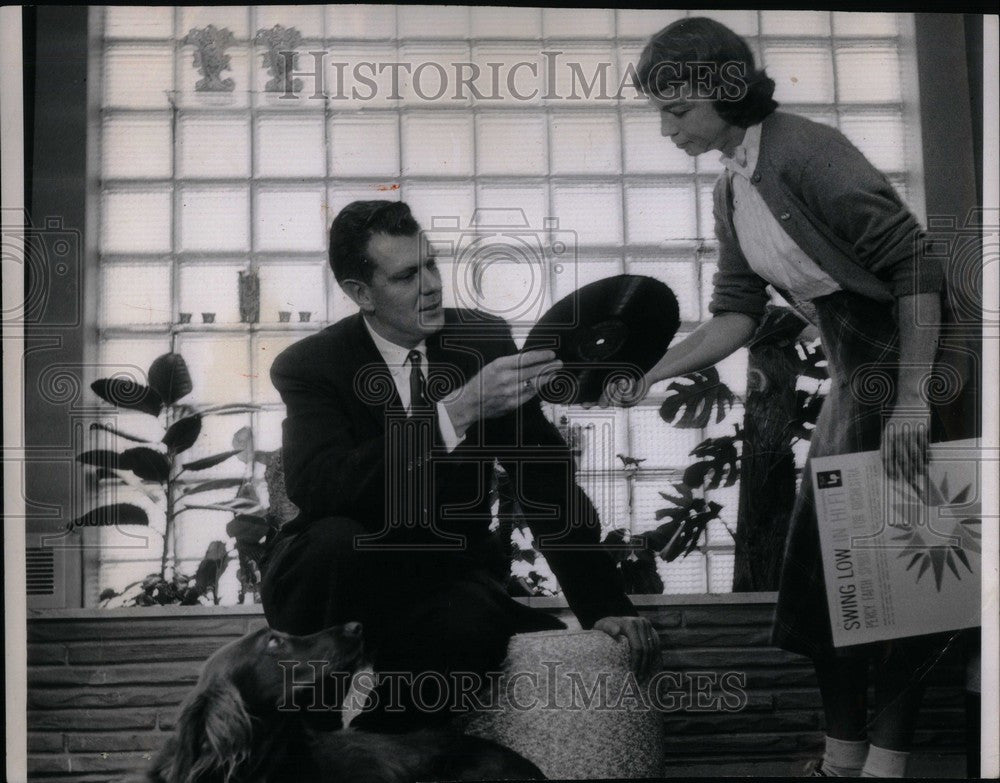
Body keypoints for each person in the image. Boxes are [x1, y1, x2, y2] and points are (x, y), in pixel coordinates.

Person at [609, 17, 951, 778]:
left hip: (922, 364)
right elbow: (734, 311)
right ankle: (842, 757)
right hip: (855, 373)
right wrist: (653, 372)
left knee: (902, 580)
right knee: (823, 573)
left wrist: (915, 402)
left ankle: (883, 766)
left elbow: (917, 268)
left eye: (677, 110)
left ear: (728, 92)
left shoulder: (806, 150)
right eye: (660, 111)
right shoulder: (732, 189)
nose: (666, 129)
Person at [261, 199, 659, 731]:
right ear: (362, 294)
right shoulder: (311, 364)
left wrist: (602, 603)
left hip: (441, 576)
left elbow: (543, 479)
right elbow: (323, 486)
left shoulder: (482, 341)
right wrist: (456, 412)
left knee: (470, 627)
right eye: (406, 276)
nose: (429, 285)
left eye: (430, 264)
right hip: (341, 574)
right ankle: (309, 739)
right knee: (332, 539)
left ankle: (375, 752)